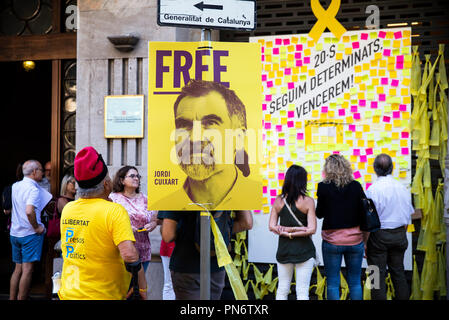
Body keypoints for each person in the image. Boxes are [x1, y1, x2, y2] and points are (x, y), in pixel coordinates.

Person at [152, 80, 260, 211]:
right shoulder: (168, 205)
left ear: (238, 137)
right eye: (184, 125)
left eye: (210, 123)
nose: (193, 137)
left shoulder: (254, 195)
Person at [58, 146, 147, 300]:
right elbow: (129, 255)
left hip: (69, 292)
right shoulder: (114, 211)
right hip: (103, 294)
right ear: (106, 184)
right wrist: (143, 289)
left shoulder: (68, 209)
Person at [157, 210, 253, 300]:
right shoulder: (229, 191)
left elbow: (168, 235)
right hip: (216, 268)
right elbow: (246, 223)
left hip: (187, 266)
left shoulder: (176, 192)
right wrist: (216, 234)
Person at [316, 154, 368, 300]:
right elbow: (364, 214)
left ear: (327, 169)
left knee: (332, 283)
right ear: (346, 167)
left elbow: (319, 214)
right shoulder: (356, 186)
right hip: (355, 241)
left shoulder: (323, 187)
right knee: (355, 282)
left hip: (332, 242)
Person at [365, 153, 414, 300]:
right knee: (398, 272)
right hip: (399, 234)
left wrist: (365, 242)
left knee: (375, 274)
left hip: (378, 235)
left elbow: (369, 219)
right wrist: (401, 233)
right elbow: (408, 215)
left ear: (375, 169)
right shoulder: (402, 188)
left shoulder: (372, 190)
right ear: (392, 168)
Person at [269, 165, 317, 300]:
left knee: (282, 289)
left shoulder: (278, 200)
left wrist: (286, 232)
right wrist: (300, 229)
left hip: (284, 250)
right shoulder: (308, 201)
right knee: (302, 292)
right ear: (303, 181)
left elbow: (272, 226)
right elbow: (312, 229)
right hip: (304, 250)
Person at [9, 160, 52, 300]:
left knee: (17, 269)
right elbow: (29, 211)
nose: (43, 173)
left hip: (15, 233)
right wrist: (37, 227)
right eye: (41, 170)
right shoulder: (33, 189)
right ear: (34, 172)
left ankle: (12, 298)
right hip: (29, 234)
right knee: (27, 270)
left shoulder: (15, 186)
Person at [109, 166, 158, 273]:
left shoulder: (146, 199)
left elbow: (155, 220)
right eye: (132, 176)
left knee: (138, 287)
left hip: (143, 251)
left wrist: (152, 225)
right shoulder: (113, 198)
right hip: (121, 252)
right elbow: (107, 222)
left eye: (137, 176)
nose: (136, 178)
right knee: (124, 288)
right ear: (122, 180)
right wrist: (125, 228)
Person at [43, 174, 76, 298]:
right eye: (72, 182)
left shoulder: (77, 199)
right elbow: (73, 217)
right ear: (65, 185)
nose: (75, 185)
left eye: (76, 182)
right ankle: (57, 294)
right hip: (62, 239)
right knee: (61, 269)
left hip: (73, 238)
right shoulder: (63, 200)